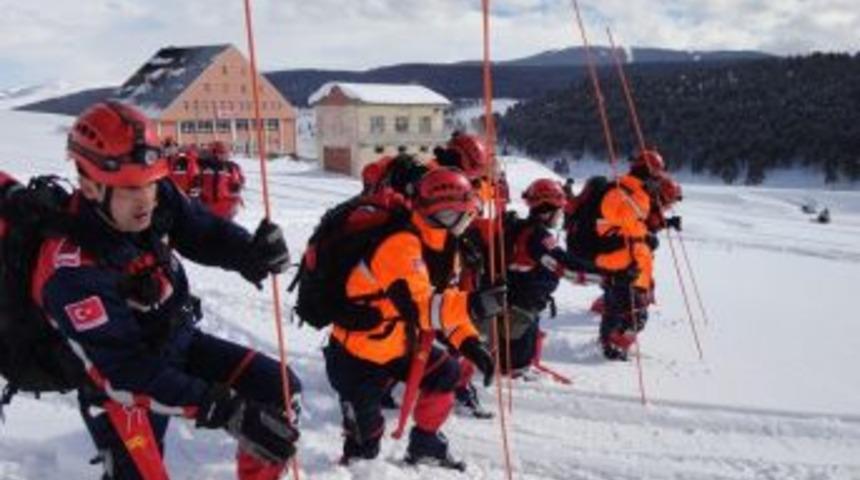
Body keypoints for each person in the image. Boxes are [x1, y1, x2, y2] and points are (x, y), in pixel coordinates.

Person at [33, 101, 301, 479]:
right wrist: (223, 409)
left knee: (280, 392)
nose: (146, 198)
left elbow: (201, 230)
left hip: (177, 341)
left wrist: (250, 253)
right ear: (90, 185)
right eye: (129, 189)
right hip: (121, 390)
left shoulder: (153, 196)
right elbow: (124, 372)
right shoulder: (72, 271)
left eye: (151, 182)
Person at [323, 167, 500, 469]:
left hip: (398, 346)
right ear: (446, 213)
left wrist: (469, 342)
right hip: (357, 357)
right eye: (466, 214)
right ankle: (353, 468)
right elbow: (421, 310)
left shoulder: (442, 244)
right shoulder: (399, 245)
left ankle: (425, 445)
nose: (470, 221)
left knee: (446, 373)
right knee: (366, 443)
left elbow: (443, 304)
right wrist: (473, 305)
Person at [502, 178, 604, 372]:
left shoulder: (522, 228)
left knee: (523, 346)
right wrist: (607, 273)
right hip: (520, 308)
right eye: (559, 210)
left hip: (518, 304)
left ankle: (523, 365)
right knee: (515, 365)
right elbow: (568, 268)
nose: (561, 215)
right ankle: (519, 373)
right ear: (548, 210)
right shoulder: (538, 237)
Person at [595, 149, 663, 360]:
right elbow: (617, 223)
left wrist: (645, 235)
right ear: (648, 172)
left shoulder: (632, 191)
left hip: (623, 262)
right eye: (656, 176)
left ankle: (609, 345)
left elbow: (629, 225)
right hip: (621, 262)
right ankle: (612, 348)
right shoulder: (624, 191)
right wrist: (642, 237)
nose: (657, 181)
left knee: (616, 309)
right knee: (633, 314)